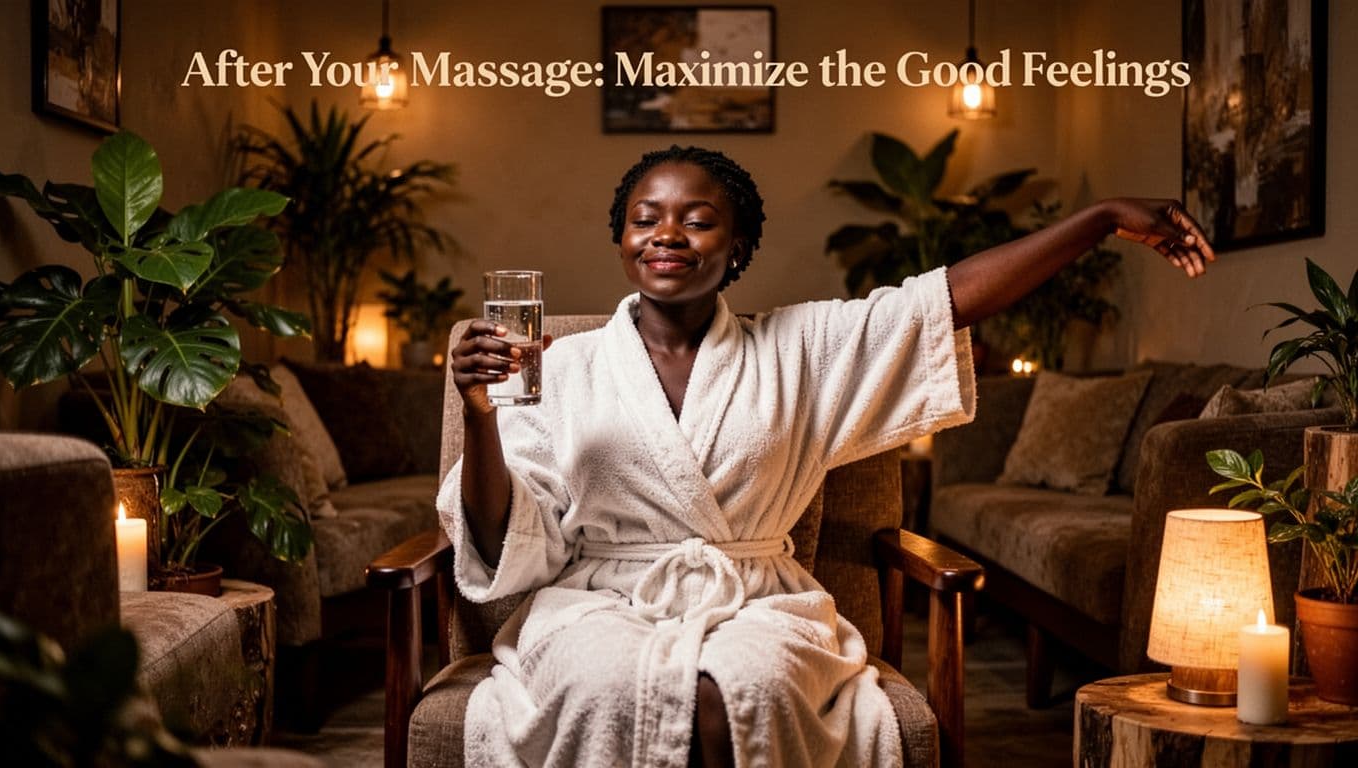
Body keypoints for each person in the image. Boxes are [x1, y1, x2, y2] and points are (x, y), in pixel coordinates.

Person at [441, 146, 1214, 767]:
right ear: (622, 240)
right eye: (646, 219)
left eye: (698, 219)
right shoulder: (560, 367)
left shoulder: (802, 347)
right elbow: (504, 531)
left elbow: (945, 300)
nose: (667, 233)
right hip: (601, 599)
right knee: (609, 686)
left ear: (737, 244)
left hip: (756, 597)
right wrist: (479, 414)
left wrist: (1101, 217)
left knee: (744, 690)